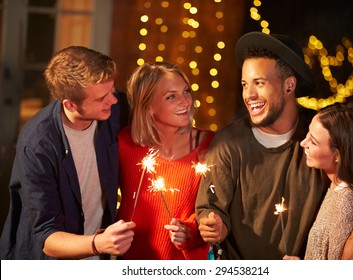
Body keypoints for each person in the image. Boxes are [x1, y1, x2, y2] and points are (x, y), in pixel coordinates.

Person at [195, 31, 353, 259]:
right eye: (245, 84)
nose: (249, 94)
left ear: (289, 86)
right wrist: (214, 226)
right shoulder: (227, 143)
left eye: (259, 83)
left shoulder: (324, 130)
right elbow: (210, 209)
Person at [0, 46, 135, 259]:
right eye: (101, 98)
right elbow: (48, 238)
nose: (114, 100)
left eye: (112, 90)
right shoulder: (38, 145)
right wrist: (98, 243)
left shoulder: (114, 110)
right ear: (70, 105)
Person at [116, 62, 214, 260]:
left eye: (186, 92)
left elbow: (216, 208)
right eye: (171, 96)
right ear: (148, 106)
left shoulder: (210, 145)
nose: (186, 102)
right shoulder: (124, 144)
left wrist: (190, 230)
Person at [284, 102, 353, 259]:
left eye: (313, 141)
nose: (303, 143)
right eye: (308, 134)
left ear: (339, 155)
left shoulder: (345, 204)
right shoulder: (335, 186)